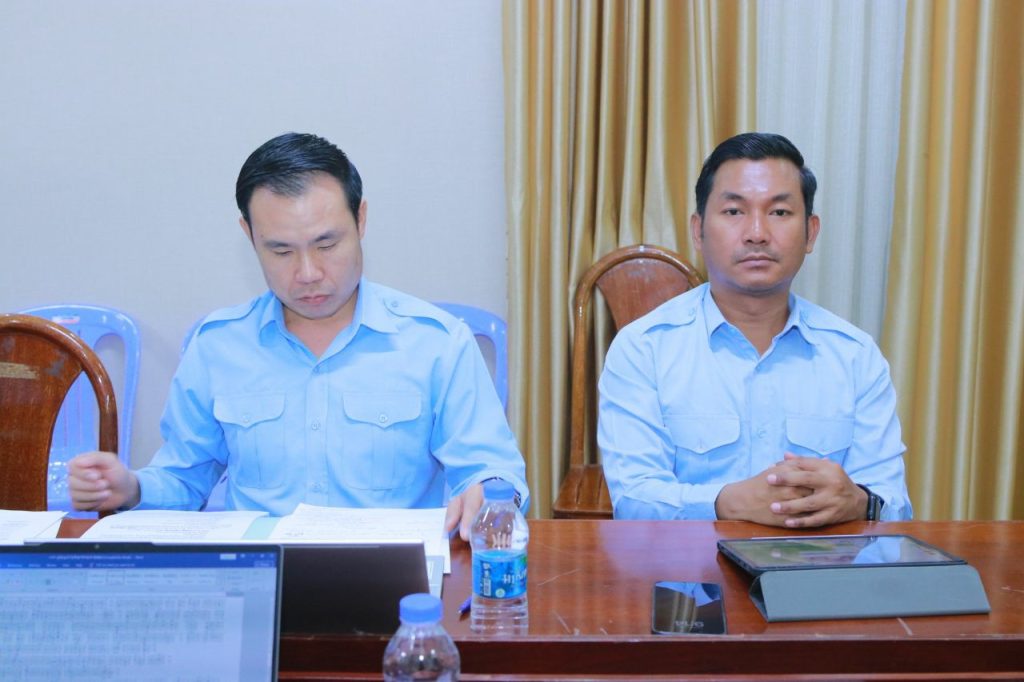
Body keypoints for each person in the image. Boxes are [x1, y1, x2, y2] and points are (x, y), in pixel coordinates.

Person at [68, 132, 529, 539]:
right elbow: (185, 481)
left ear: (361, 220)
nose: (308, 273)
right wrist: (131, 488)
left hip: (391, 582)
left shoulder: (436, 343)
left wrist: (490, 491)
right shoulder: (217, 347)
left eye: (327, 244)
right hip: (259, 582)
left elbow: (492, 469)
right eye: (281, 251)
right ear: (249, 235)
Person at [598, 132, 911, 528]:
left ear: (811, 232)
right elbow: (634, 500)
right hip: (690, 568)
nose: (757, 232)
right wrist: (727, 502)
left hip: (817, 564)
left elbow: (895, 505)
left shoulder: (854, 356)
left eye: (779, 212)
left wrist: (861, 502)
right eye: (734, 211)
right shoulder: (644, 349)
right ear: (698, 231)